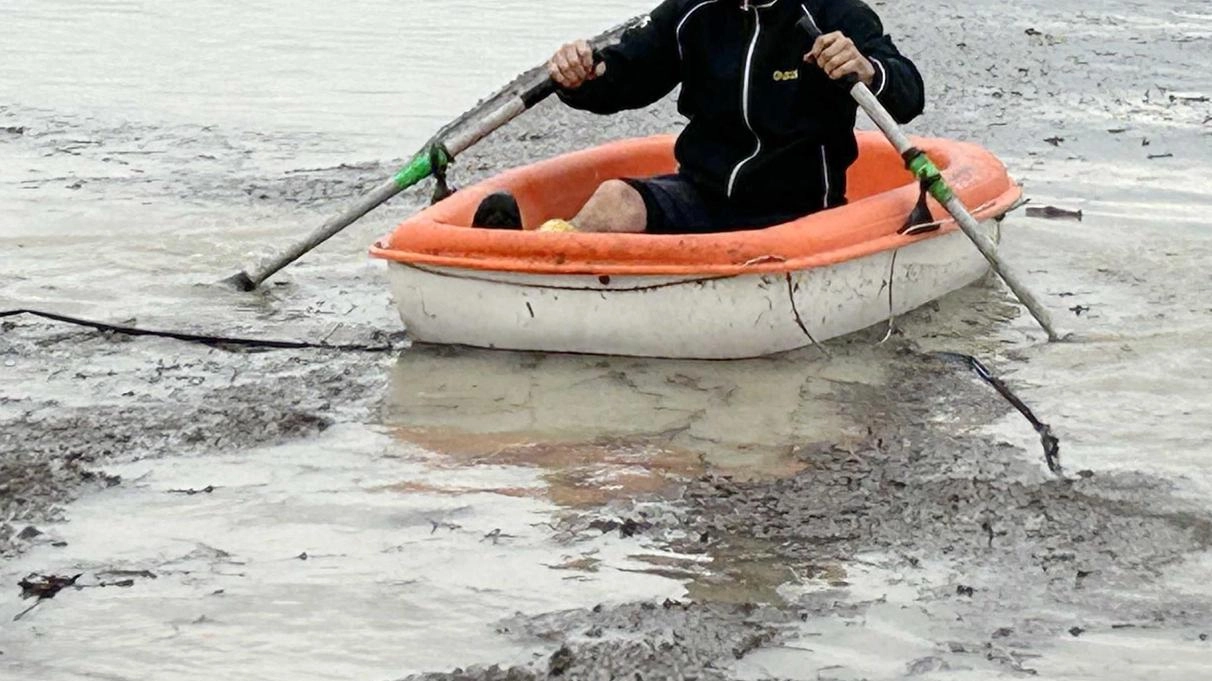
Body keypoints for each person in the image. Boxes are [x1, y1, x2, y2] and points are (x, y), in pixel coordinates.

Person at [472, 0, 924, 234]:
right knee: (615, 198)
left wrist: (865, 68)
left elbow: (909, 93)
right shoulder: (692, 12)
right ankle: (538, 256)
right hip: (703, 195)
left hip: (799, 211)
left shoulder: (833, 13)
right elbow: (629, 76)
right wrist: (581, 75)